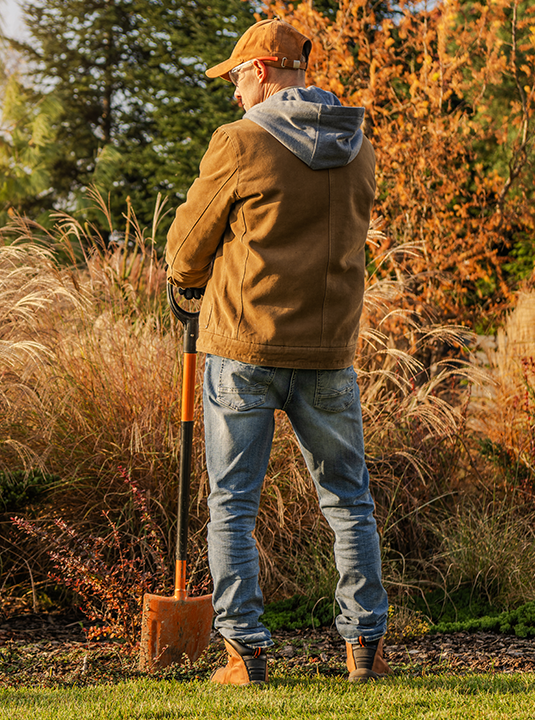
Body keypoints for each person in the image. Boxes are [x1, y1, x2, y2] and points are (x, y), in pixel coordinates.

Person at [165, 18, 391, 685]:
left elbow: (185, 248)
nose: (234, 94)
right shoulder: (360, 148)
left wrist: (185, 285)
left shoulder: (240, 143)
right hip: (329, 354)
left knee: (234, 501)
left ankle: (246, 652)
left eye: (236, 79)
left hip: (245, 348)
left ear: (261, 70)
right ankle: (366, 648)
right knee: (349, 501)